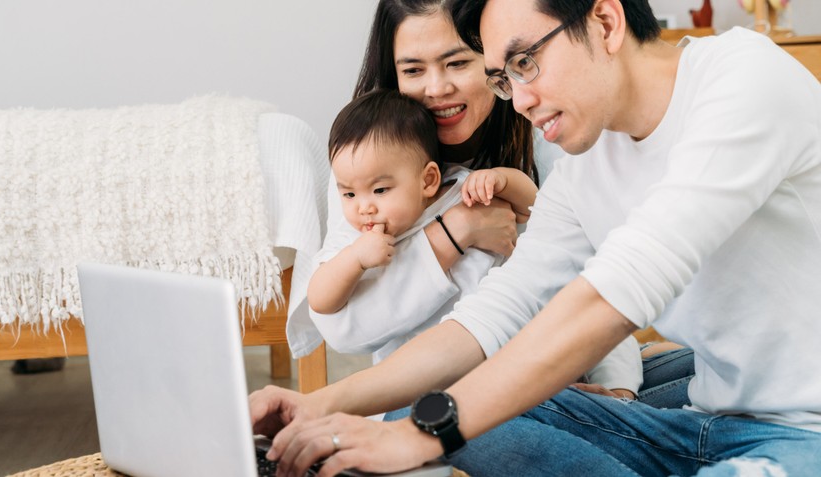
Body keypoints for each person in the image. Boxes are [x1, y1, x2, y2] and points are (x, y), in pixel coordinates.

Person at [252, 0, 821, 476]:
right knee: (439, 406)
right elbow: (498, 310)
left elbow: (613, 296)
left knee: (439, 422)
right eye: (504, 77)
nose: (518, 99)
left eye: (526, 62)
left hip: (805, 432)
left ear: (604, 21)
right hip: (706, 418)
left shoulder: (744, 79)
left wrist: (426, 437)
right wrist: (318, 404)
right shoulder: (586, 159)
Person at [287, 0, 650, 402]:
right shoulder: (367, 168)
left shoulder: (553, 135)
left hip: (548, 372)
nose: (437, 89)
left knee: (676, 376)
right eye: (412, 70)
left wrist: (620, 387)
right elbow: (343, 328)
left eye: (457, 63)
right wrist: (455, 232)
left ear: (496, 56)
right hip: (424, 393)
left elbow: (593, 279)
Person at [308, 89, 538, 364]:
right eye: (348, 194)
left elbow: (533, 208)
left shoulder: (462, 191)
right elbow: (320, 300)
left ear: (428, 180)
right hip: (418, 370)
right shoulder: (356, 236)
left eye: (380, 189)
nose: (363, 207)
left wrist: (503, 180)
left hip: (502, 350)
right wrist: (355, 259)